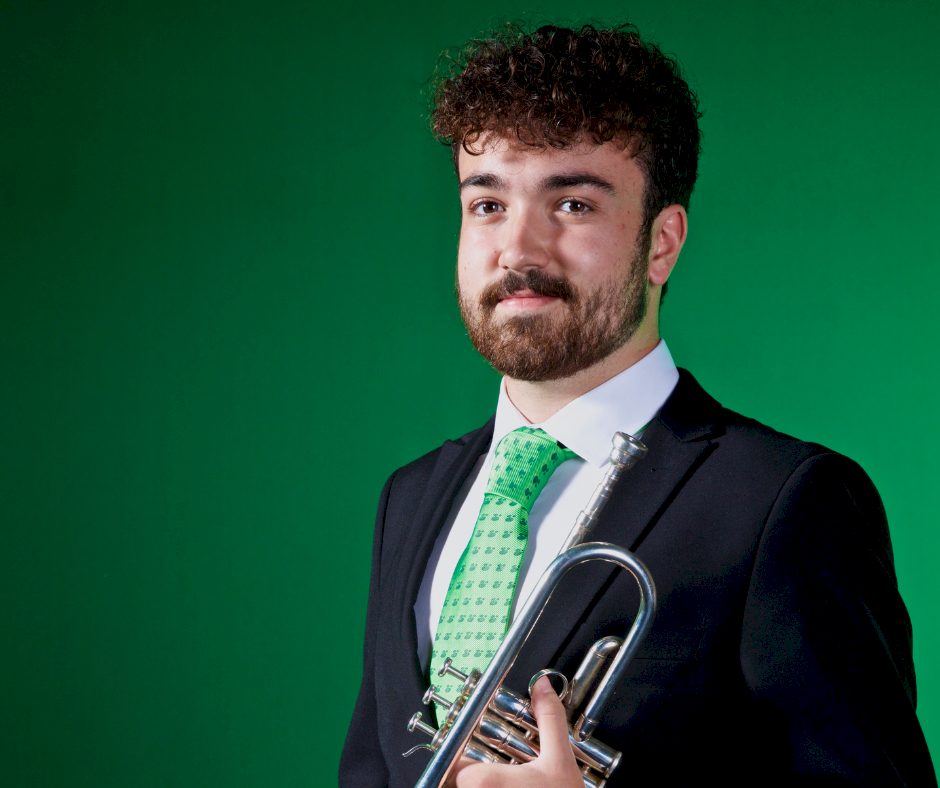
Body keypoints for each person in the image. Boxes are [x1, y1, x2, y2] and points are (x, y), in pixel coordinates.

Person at [339, 23, 936, 787]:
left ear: (662, 243)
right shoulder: (413, 496)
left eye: (573, 204)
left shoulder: (786, 502)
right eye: (487, 204)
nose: (518, 250)